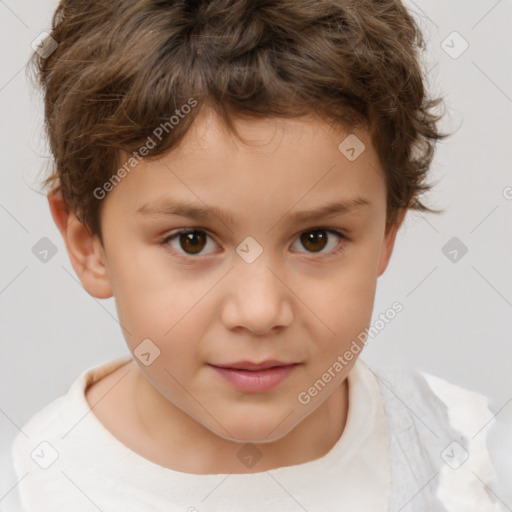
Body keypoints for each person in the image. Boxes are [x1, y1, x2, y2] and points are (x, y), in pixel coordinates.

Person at [10, 0, 508, 510]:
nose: (260, 311)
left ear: (387, 231)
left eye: (316, 239)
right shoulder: (32, 488)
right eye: (192, 241)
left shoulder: (472, 462)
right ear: (88, 244)